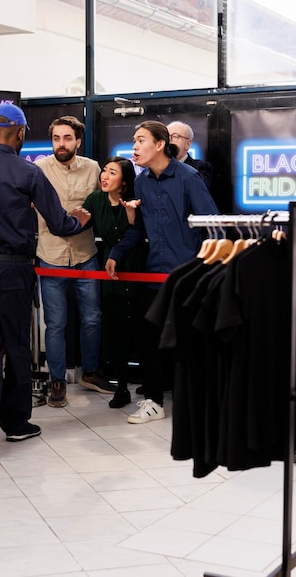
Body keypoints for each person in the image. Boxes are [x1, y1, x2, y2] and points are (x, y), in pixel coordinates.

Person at [0, 104, 91, 456]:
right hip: (13, 269)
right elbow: (60, 225)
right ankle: (15, 424)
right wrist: (81, 218)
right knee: (16, 344)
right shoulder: (27, 172)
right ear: (20, 133)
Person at [105, 120, 219, 424]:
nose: (134, 146)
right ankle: (153, 402)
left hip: (187, 277)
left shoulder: (189, 177)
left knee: (189, 342)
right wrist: (117, 252)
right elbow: (140, 226)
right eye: (133, 140)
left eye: (141, 140)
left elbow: (212, 224)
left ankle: (199, 401)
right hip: (153, 275)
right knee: (147, 338)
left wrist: (205, 270)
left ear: (160, 144)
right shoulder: (141, 181)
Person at [35, 115, 116, 408]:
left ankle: (90, 372)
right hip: (51, 256)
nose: (61, 144)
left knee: (92, 318)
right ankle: (57, 379)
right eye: (56, 138)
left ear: (78, 141)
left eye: (67, 138)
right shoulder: (39, 169)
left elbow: (104, 204)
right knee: (55, 323)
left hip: (85, 255)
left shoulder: (93, 168)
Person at [83, 157, 147, 408]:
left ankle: (152, 380)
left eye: (112, 173)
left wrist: (132, 216)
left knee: (141, 326)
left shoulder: (135, 200)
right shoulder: (95, 200)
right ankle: (120, 387)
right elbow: (77, 224)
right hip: (109, 270)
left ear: (124, 182)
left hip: (136, 266)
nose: (104, 176)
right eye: (104, 171)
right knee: (115, 328)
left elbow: (138, 231)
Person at [166, 121, 213, 188]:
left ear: (187, 144)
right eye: (166, 136)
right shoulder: (155, 167)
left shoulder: (201, 167)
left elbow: (196, 189)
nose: (169, 140)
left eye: (175, 136)